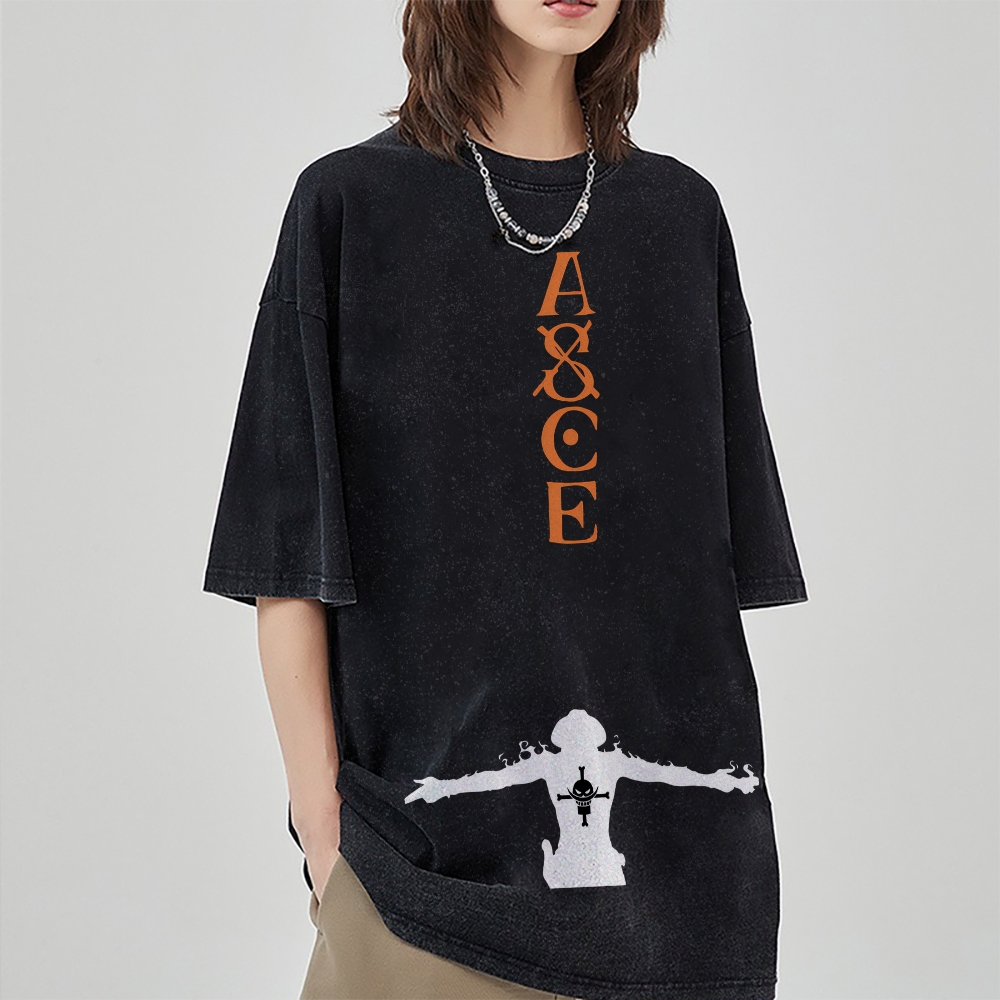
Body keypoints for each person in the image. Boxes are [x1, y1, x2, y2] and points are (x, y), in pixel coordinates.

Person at [202, 0, 809, 998]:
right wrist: (325, 836)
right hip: (422, 892)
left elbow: (696, 590)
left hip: (684, 904)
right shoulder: (350, 206)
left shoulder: (680, 218)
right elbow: (287, 560)